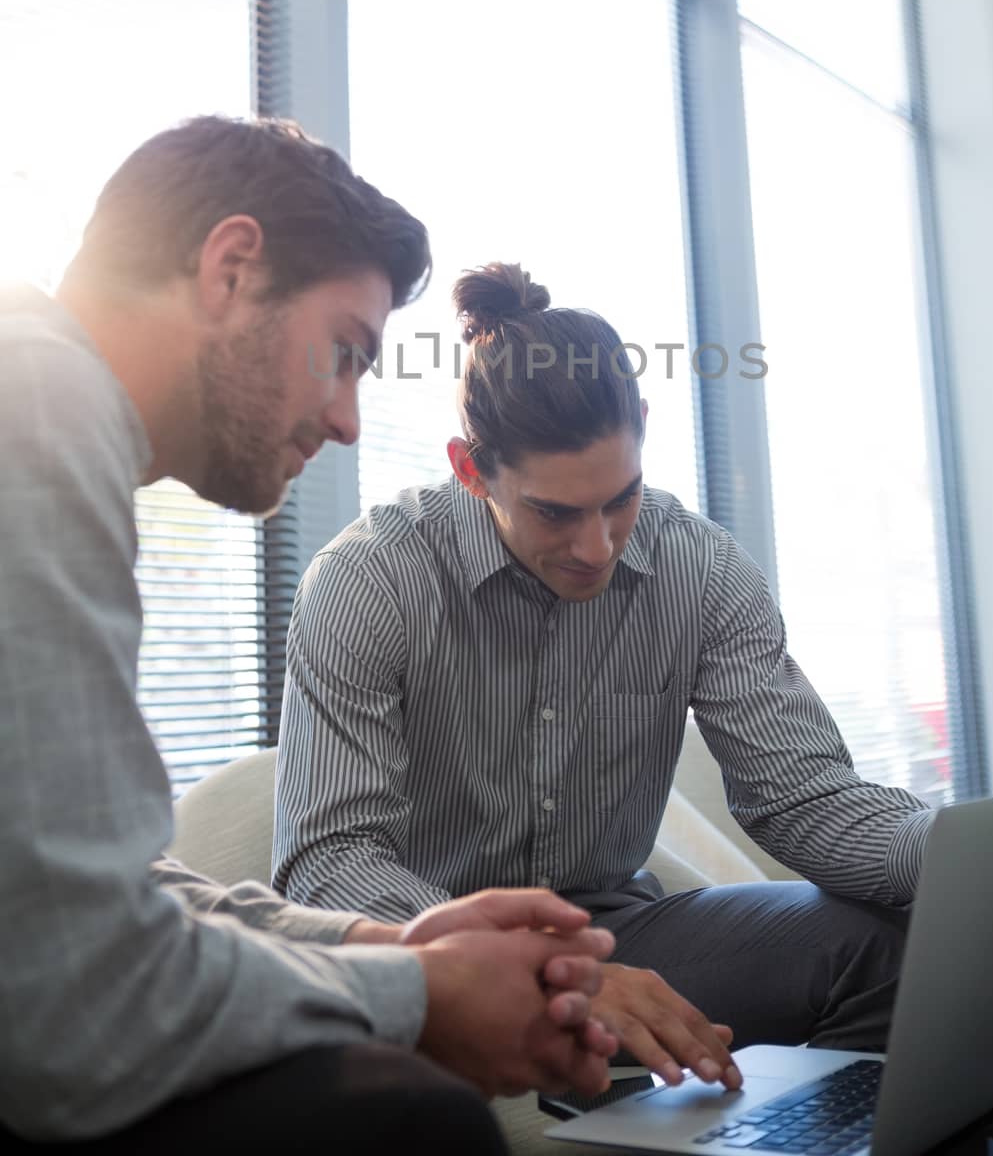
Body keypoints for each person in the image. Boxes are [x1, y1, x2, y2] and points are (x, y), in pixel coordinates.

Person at [0, 126, 625, 1150]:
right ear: (230, 267)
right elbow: (78, 999)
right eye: (343, 352)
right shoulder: (37, 401)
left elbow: (91, 893)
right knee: (408, 1118)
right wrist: (414, 996)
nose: (344, 419)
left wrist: (385, 942)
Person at [274, 261, 926, 1086]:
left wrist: (951, 851)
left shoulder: (701, 569)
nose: (597, 549)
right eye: (554, 512)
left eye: (620, 498)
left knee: (881, 947)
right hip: (435, 958)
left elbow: (801, 797)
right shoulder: (369, 581)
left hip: (621, 932)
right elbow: (330, 861)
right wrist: (544, 972)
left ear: (643, 428)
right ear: (470, 469)